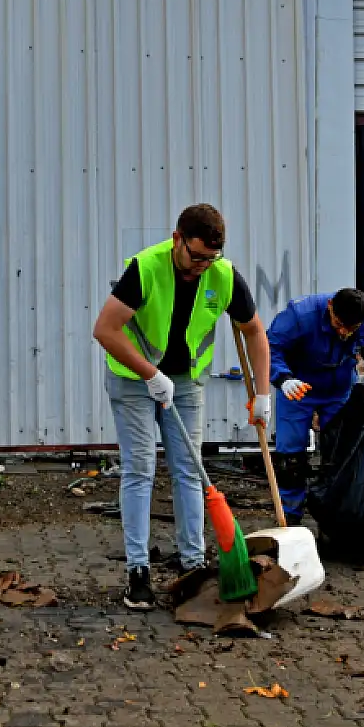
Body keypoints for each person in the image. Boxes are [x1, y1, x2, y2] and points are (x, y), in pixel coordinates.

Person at [92, 204, 272, 610]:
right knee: (140, 468)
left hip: (187, 384)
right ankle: (138, 572)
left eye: (211, 259)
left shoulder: (223, 275)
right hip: (133, 379)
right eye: (196, 257)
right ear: (177, 239)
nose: (201, 267)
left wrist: (263, 395)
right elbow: (104, 328)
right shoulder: (146, 268)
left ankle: (192, 564)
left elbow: (255, 332)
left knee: (190, 470)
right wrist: (150, 375)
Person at [266, 288, 364, 523]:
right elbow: (271, 347)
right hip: (298, 386)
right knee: (290, 458)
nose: (344, 333)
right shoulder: (300, 315)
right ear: (330, 307)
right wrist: (282, 378)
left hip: (339, 389)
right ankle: (289, 517)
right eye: (339, 324)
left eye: (352, 329)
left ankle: (335, 518)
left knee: (341, 454)